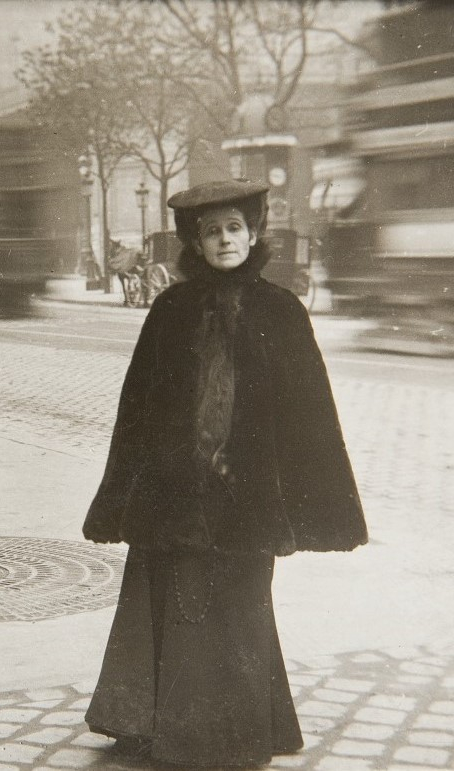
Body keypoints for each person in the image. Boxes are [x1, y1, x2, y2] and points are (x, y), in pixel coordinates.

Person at [82, 179, 368, 767]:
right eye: (211, 231)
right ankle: (160, 725)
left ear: (255, 232)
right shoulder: (170, 310)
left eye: (234, 228)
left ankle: (242, 734)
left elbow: (310, 414)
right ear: (195, 242)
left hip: (249, 496)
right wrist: (125, 492)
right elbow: (138, 407)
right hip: (175, 493)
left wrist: (311, 505)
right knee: (174, 603)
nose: (224, 240)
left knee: (241, 607)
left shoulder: (281, 311)